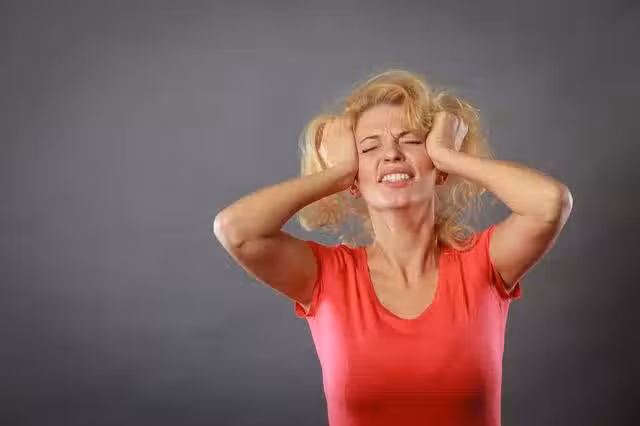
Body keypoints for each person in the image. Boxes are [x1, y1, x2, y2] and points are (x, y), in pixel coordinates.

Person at [213, 69, 573, 426]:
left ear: (438, 167)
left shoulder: (483, 263)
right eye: (370, 148)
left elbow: (551, 203)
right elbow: (236, 230)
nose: (392, 155)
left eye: (412, 141)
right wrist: (338, 173)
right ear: (354, 180)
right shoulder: (327, 276)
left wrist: (449, 157)